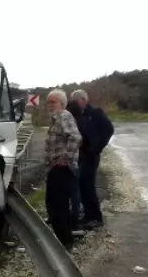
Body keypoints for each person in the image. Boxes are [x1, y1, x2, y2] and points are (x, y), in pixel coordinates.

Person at [66, 89, 114, 229]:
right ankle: (86, 214)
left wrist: (97, 146)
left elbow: (109, 129)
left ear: (84, 100)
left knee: (88, 185)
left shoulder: (96, 113)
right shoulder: (74, 114)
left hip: (91, 154)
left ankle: (95, 217)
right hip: (79, 155)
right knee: (80, 185)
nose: (76, 104)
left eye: (78, 101)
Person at [43, 89, 83, 250]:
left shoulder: (64, 116)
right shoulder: (56, 118)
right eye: (49, 102)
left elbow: (76, 137)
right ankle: (64, 239)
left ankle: (64, 242)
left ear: (62, 103)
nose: (49, 105)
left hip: (62, 169)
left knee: (56, 206)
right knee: (57, 206)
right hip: (56, 169)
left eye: (53, 102)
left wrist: (63, 159)